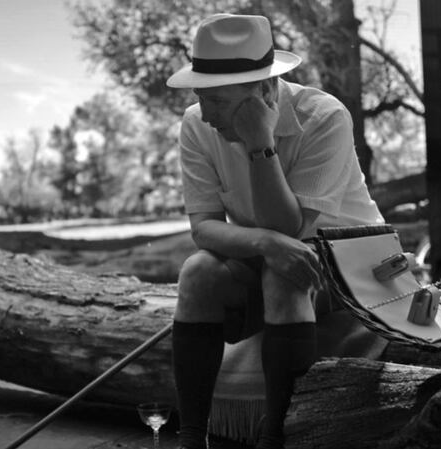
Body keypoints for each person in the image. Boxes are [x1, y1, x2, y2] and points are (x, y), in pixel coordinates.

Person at [165, 13, 384, 449]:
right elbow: (204, 228)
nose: (206, 114)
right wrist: (263, 242)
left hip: (351, 260)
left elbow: (291, 228)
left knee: (282, 275)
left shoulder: (325, 117)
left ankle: (275, 438)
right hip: (265, 251)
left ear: (265, 92)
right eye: (201, 97)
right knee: (196, 273)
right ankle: (191, 437)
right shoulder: (195, 123)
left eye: (220, 102)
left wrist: (260, 145)